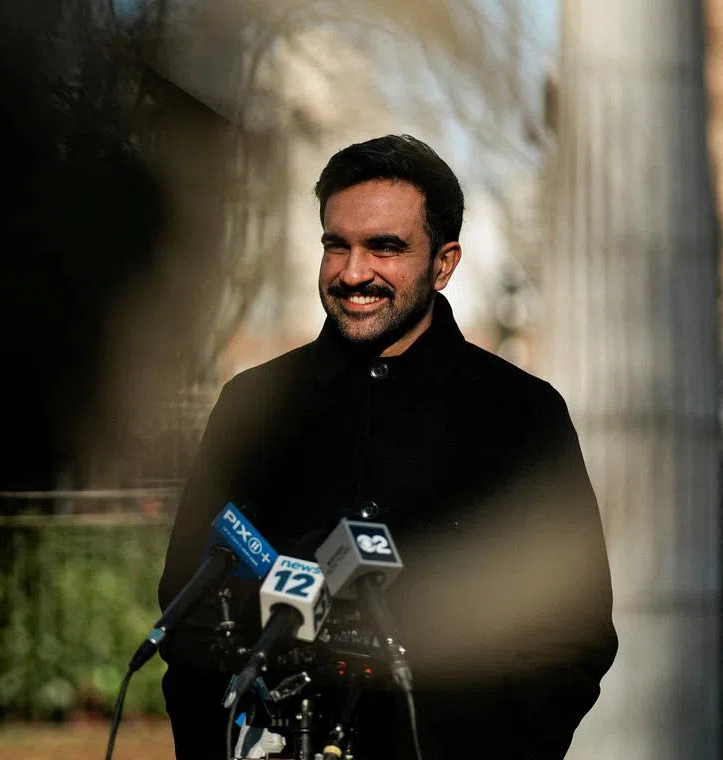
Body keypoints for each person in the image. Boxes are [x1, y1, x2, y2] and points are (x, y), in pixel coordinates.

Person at [157, 134, 618, 759]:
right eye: (336, 245)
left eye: (385, 247)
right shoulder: (252, 404)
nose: (353, 272)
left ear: (444, 262)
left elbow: (570, 631)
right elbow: (189, 608)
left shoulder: (522, 414)